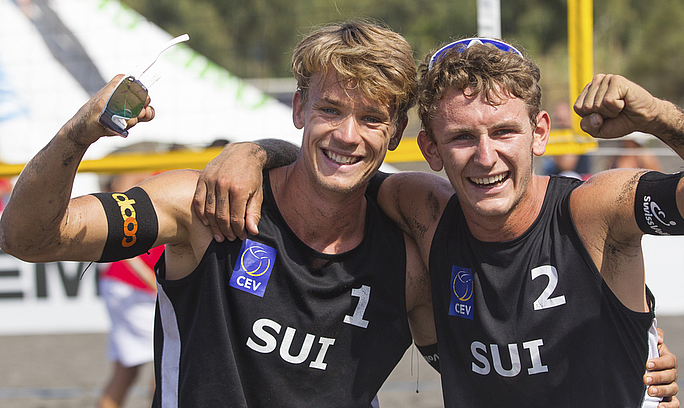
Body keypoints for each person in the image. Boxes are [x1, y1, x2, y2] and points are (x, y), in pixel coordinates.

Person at [192, 40, 684, 406]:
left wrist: (661, 118)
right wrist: (254, 152)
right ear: (430, 149)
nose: (485, 157)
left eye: (502, 131)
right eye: (461, 137)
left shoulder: (591, 210)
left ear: (539, 134)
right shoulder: (425, 211)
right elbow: (337, 171)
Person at [0, 21, 437, 407]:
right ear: (300, 108)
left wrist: (255, 150)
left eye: (371, 118)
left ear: (397, 131)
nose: (347, 134)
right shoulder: (200, 207)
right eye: (330, 109)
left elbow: (488, 375)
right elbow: (28, 239)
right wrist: (77, 134)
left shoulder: (407, 265)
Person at [98, 168, 161, 408]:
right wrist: (148, 278)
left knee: (127, 371)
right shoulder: (145, 171)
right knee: (164, 366)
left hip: (133, 285)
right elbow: (119, 201)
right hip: (133, 286)